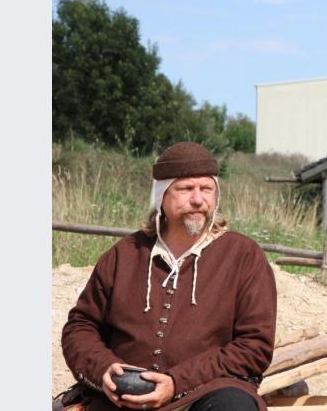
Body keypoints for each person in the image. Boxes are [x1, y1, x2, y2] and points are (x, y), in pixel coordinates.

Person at [62, 142, 277, 411]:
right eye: (186, 189)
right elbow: (80, 327)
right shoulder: (124, 254)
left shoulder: (243, 255)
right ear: (161, 195)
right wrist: (104, 370)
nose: (198, 199)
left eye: (206, 189)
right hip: (123, 398)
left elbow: (254, 346)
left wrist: (177, 382)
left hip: (206, 393)